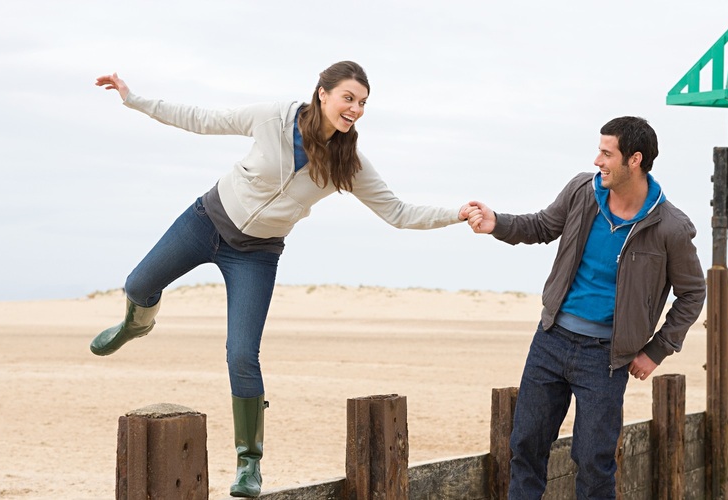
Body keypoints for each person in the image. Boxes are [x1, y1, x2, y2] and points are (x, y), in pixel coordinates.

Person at [92, 61, 473, 498]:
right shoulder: (273, 117)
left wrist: (456, 215)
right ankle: (135, 324)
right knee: (138, 285)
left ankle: (248, 464)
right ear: (322, 93)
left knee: (242, 355)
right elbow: (201, 120)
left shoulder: (347, 161)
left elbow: (398, 212)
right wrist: (133, 98)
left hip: (256, 254)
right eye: (349, 98)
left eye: (363, 103)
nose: (356, 109)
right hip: (206, 221)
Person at [465, 116, 706, 499]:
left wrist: (657, 350)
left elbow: (692, 293)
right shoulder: (581, 191)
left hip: (606, 359)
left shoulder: (670, 227)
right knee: (526, 446)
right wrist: (497, 223)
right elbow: (542, 226)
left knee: (594, 462)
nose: (597, 160)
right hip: (551, 340)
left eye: (607, 153)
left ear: (635, 160)